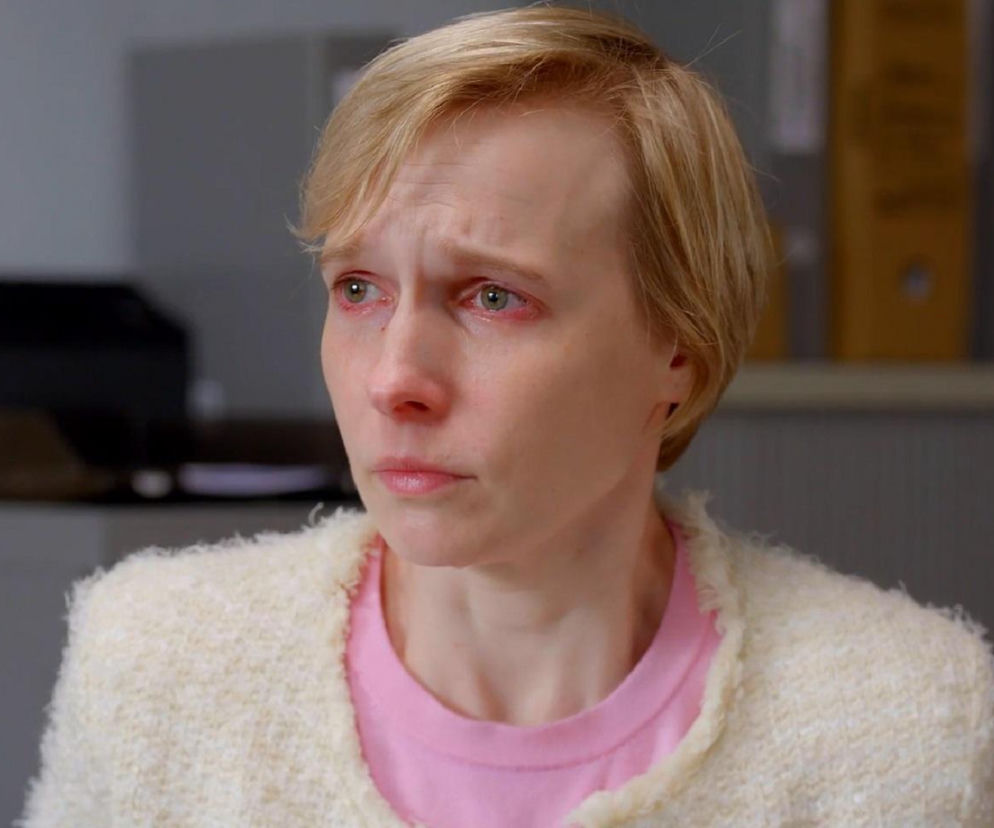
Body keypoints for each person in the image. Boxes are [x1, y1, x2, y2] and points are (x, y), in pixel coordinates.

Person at [19, 5, 994, 827]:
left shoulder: (908, 726)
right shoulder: (158, 667)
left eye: (493, 297)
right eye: (357, 288)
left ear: (679, 350)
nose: (393, 378)